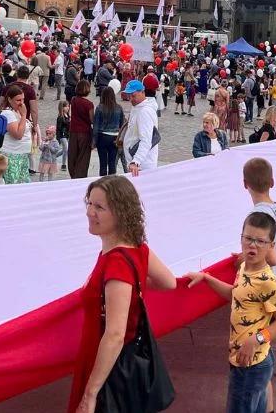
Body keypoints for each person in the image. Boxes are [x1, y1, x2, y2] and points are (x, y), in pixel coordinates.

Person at [68, 176, 177, 413]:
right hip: (115, 360)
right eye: (89, 203)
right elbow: (169, 282)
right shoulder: (138, 249)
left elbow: (115, 334)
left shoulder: (116, 263)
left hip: (106, 365)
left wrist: (90, 394)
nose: (89, 212)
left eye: (99, 207)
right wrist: (131, 288)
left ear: (119, 214)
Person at [184, 212, 276, 413]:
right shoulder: (244, 267)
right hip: (245, 358)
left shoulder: (267, 282)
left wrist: (255, 340)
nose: (253, 245)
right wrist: (207, 278)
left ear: (271, 246)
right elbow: (237, 296)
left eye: (260, 241)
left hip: (251, 363)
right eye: (248, 238)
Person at [122, 79, 160, 176]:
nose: (130, 99)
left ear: (142, 92)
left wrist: (136, 161)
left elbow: (146, 140)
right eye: (129, 96)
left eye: (133, 96)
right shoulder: (137, 107)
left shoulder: (144, 112)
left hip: (141, 165)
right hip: (136, 162)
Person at [0, 84, 33, 185]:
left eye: (23, 99)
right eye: (18, 100)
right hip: (12, 156)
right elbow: (18, 135)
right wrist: (23, 116)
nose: (21, 103)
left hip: (22, 155)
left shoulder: (17, 111)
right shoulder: (8, 113)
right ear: (9, 99)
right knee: (12, 185)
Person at [92, 86, 124, 176]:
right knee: (112, 162)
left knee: (103, 163)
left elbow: (96, 126)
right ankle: (111, 184)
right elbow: (122, 125)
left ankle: (103, 184)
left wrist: (94, 140)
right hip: (115, 137)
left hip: (102, 137)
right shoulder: (119, 108)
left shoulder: (99, 108)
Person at [68, 80, 95, 178]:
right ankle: (80, 176)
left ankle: (73, 174)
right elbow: (92, 120)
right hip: (84, 132)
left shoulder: (73, 100)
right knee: (83, 157)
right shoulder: (89, 104)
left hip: (74, 130)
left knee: (73, 155)